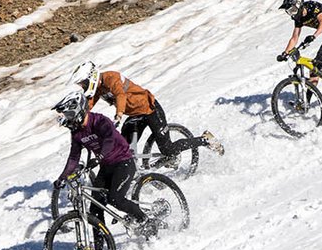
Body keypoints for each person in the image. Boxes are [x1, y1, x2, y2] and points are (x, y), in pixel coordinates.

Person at [71, 61, 224, 163]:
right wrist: (76, 121)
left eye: (83, 82)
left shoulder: (111, 77)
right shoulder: (97, 89)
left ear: (92, 76)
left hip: (150, 110)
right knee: (123, 148)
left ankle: (205, 140)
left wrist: (118, 115)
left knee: (167, 149)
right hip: (135, 116)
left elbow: (120, 95)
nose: (83, 86)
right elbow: (88, 105)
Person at [52, 90, 149, 234]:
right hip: (106, 166)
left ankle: (146, 221)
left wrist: (99, 158)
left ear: (78, 111)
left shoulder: (99, 121)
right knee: (95, 208)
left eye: (68, 115)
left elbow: (109, 140)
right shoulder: (77, 133)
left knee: (115, 199)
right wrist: (62, 177)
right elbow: (74, 157)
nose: (67, 120)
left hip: (123, 162)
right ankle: (100, 248)